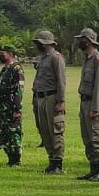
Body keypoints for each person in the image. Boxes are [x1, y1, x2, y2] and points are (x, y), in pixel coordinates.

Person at [74, 28, 99, 181]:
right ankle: (92, 169)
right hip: (84, 102)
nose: (79, 42)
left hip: (93, 104)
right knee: (87, 138)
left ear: (89, 41)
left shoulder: (98, 59)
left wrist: (95, 107)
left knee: (96, 138)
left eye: (82, 39)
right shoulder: (88, 59)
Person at [31, 28, 67, 174]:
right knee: (44, 130)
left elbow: (61, 80)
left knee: (55, 130)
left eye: (39, 43)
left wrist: (61, 101)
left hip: (52, 97)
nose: (37, 45)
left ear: (46, 43)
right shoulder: (42, 58)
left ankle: (58, 162)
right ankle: (51, 159)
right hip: (40, 97)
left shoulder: (56, 58)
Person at [0, 45, 25, 167]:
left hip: (12, 106)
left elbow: (19, 89)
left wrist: (17, 109)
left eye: (3, 53)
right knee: (4, 132)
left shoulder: (16, 68)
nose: (1, 55)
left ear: (11, 53)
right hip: (3, 106)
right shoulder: (4, 69)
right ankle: (10, 157)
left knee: (14, 132)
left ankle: (16, 159)